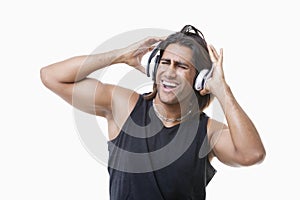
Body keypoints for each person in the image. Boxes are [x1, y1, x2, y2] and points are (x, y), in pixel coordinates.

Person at [40, 25, 266, 200]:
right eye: (165, 62)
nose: (169, 72)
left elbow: (252, 155)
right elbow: (51, 76)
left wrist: (222, 90)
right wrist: (119, 55)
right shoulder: (122, 105)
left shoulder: (207, 132)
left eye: (182, 66)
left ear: (200, 79)